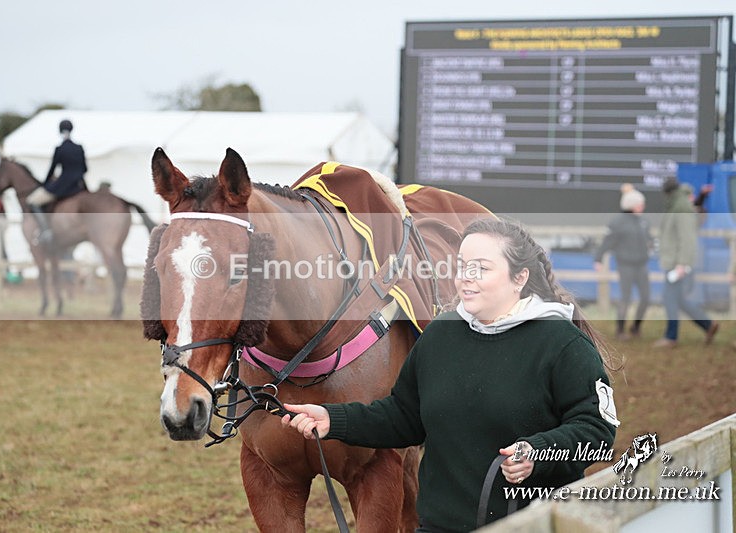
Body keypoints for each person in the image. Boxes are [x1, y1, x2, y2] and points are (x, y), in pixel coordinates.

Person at [281, 217, 619, 532]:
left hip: (533, 524)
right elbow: (404, 417)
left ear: (520, 278)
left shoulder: (562, 344)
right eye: (462, 267)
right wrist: (332, 419)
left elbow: (597, 432)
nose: (465, 277)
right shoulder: (441, 334)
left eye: (481, 268)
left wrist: (539, 452)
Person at [652, 179, 719, 349]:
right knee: (678, 300)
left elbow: (687, 238)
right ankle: (708, 325)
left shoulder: (680, 207)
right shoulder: (678, 204)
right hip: (674, 261)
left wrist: (682, 264)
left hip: (676, 263)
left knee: (670, 299)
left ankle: (671, 337)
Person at [593, 184, 652, 340]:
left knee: (646, 298)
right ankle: (620, 330)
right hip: (625, 265)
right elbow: (608, 241)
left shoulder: (643, 222)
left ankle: (636, 327)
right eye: (640, 204)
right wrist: (598, 259)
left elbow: (649, 239)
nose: (643, 207)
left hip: (641, 265)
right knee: (626, 298)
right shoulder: (618, 222)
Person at [26, 119, 87, 247]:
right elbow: (85, 169)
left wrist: (45, 184)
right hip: (78, 186)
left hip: (63, 186)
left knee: (32, 201)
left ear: (60, 131)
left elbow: (52, 169)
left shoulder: (60, 149)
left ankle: (46, 230)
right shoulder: (79, 148)